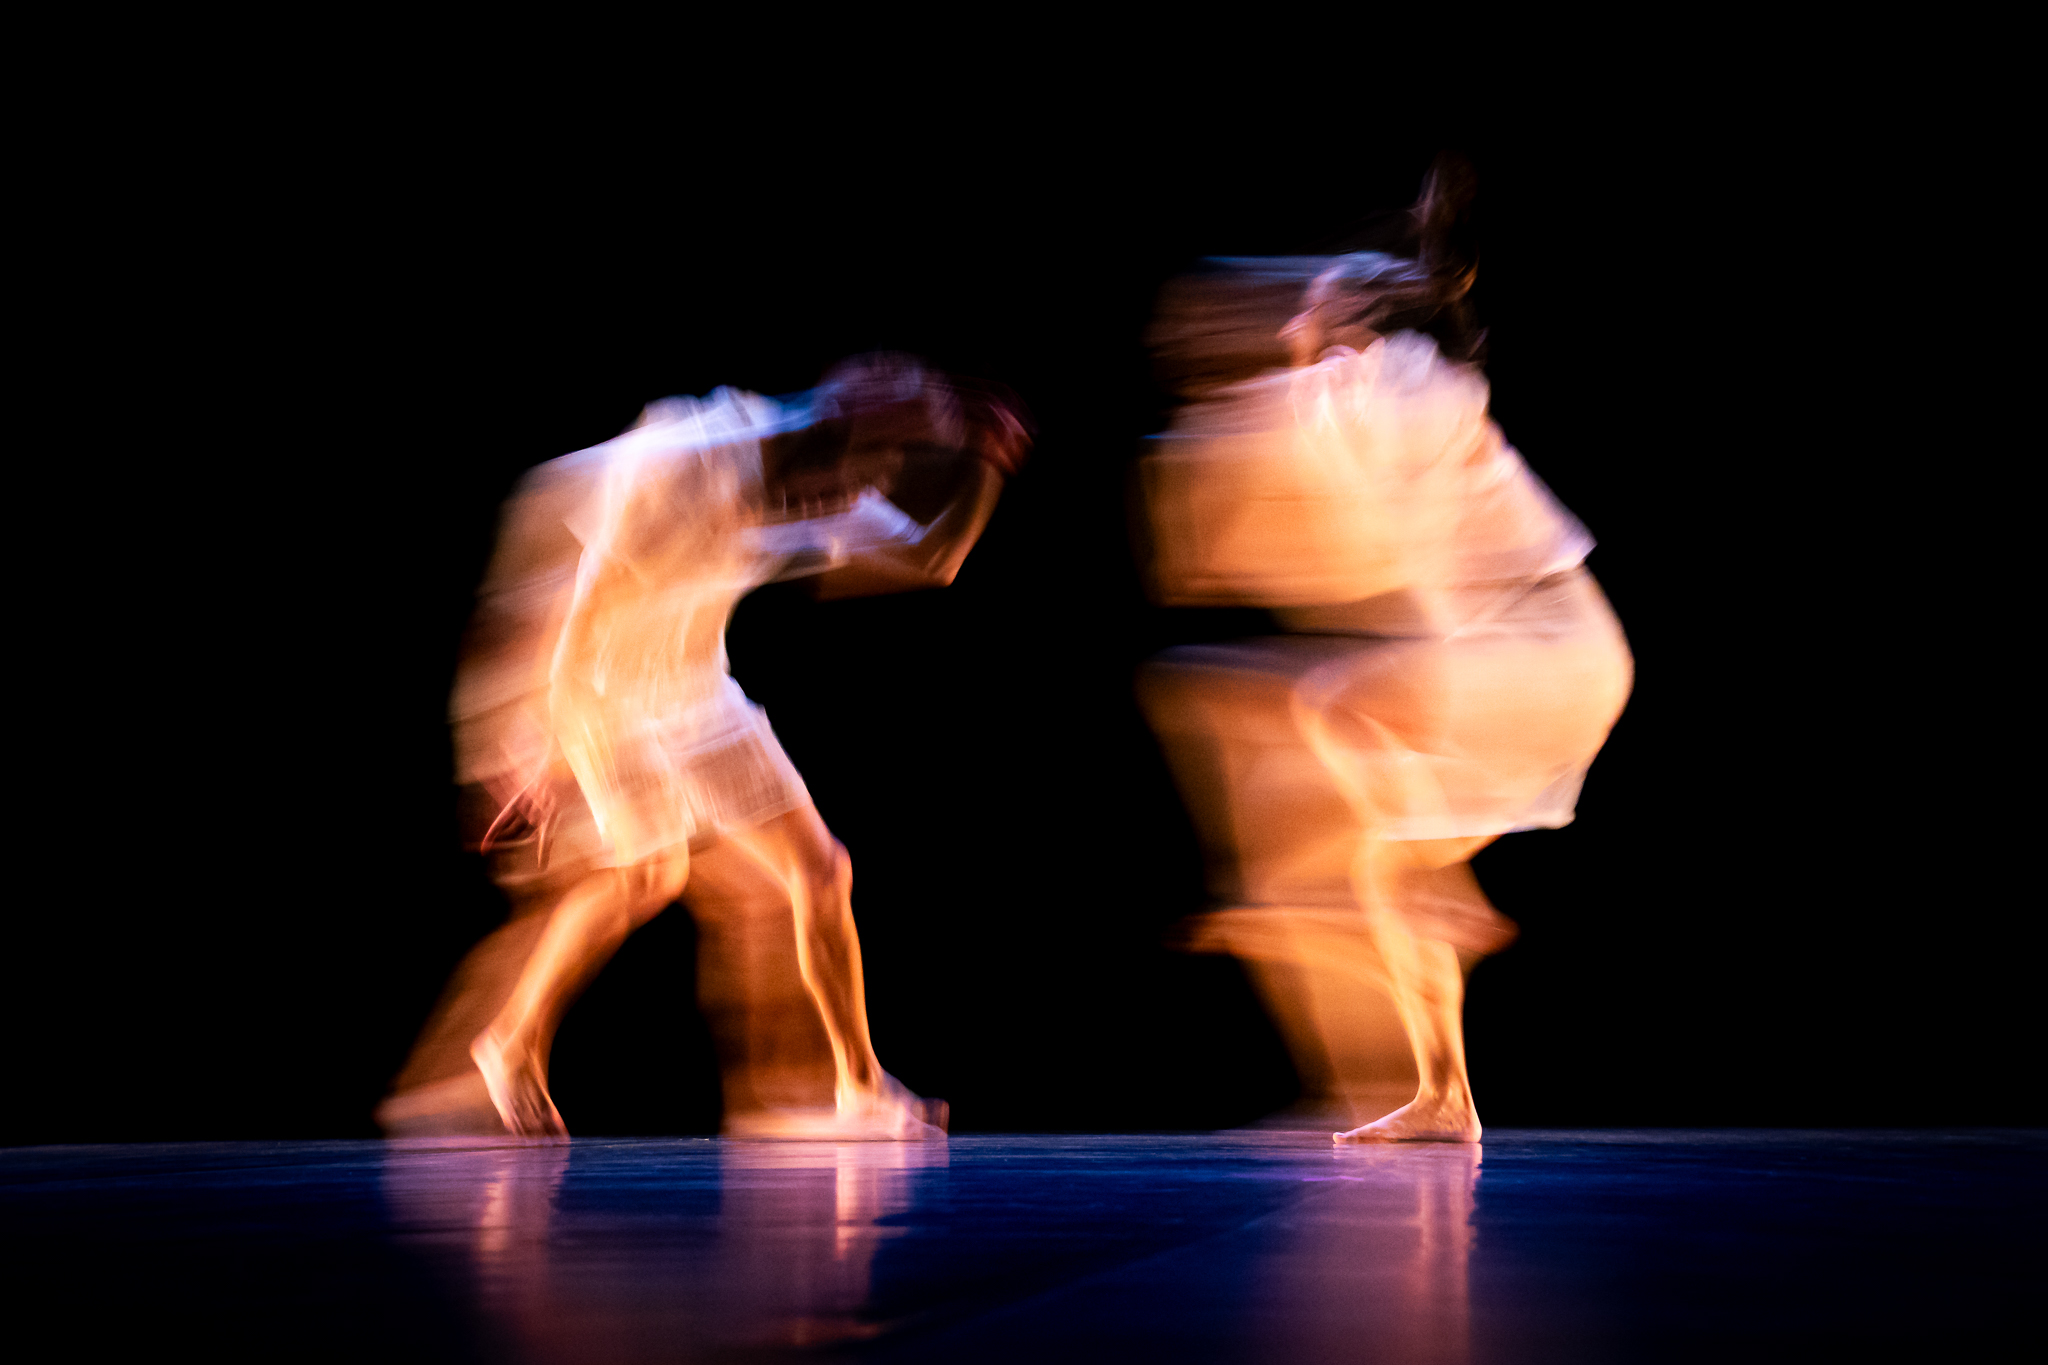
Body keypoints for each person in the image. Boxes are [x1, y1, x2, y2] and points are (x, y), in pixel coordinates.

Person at [378, 356, 1027, 1139]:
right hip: (602, 686)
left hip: (695, 683)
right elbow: (581, 618)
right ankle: (509, 1042)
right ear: (829, 425)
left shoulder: (819, 472)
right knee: (647, 872)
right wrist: (540, 754)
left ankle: (859, 1086)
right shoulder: (690, 461)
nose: (851, 491)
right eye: (862, 461)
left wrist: (985, 467)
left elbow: (931, 560)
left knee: (822, 870)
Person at [1137, 159, 1632, 1143]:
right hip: (1505, 657)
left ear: (1354, 323)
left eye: (1307, 313)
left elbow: (1300, 543)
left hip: (1541, 648)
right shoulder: (1345, 395)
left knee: (1330, 711)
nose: (1288, 330)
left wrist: (1260, 407)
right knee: (1361, 856)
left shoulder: (1395, 382)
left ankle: (1441, 888)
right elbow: (1248, 563)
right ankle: (1444, 1097)